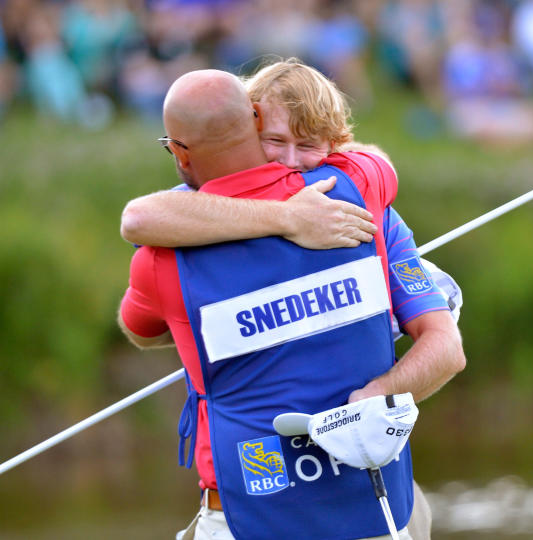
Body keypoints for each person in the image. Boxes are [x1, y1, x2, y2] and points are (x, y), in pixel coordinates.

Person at [118, 69, 465, 539]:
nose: (292, 163)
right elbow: (140, 217)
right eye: (276, 141)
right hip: (338, 505)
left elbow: (140, 324)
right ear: (252, 123)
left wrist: (372, 397)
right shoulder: (358, 189)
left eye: (310, 145)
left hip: (289, 505)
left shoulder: (163, 255)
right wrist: (284, 217)